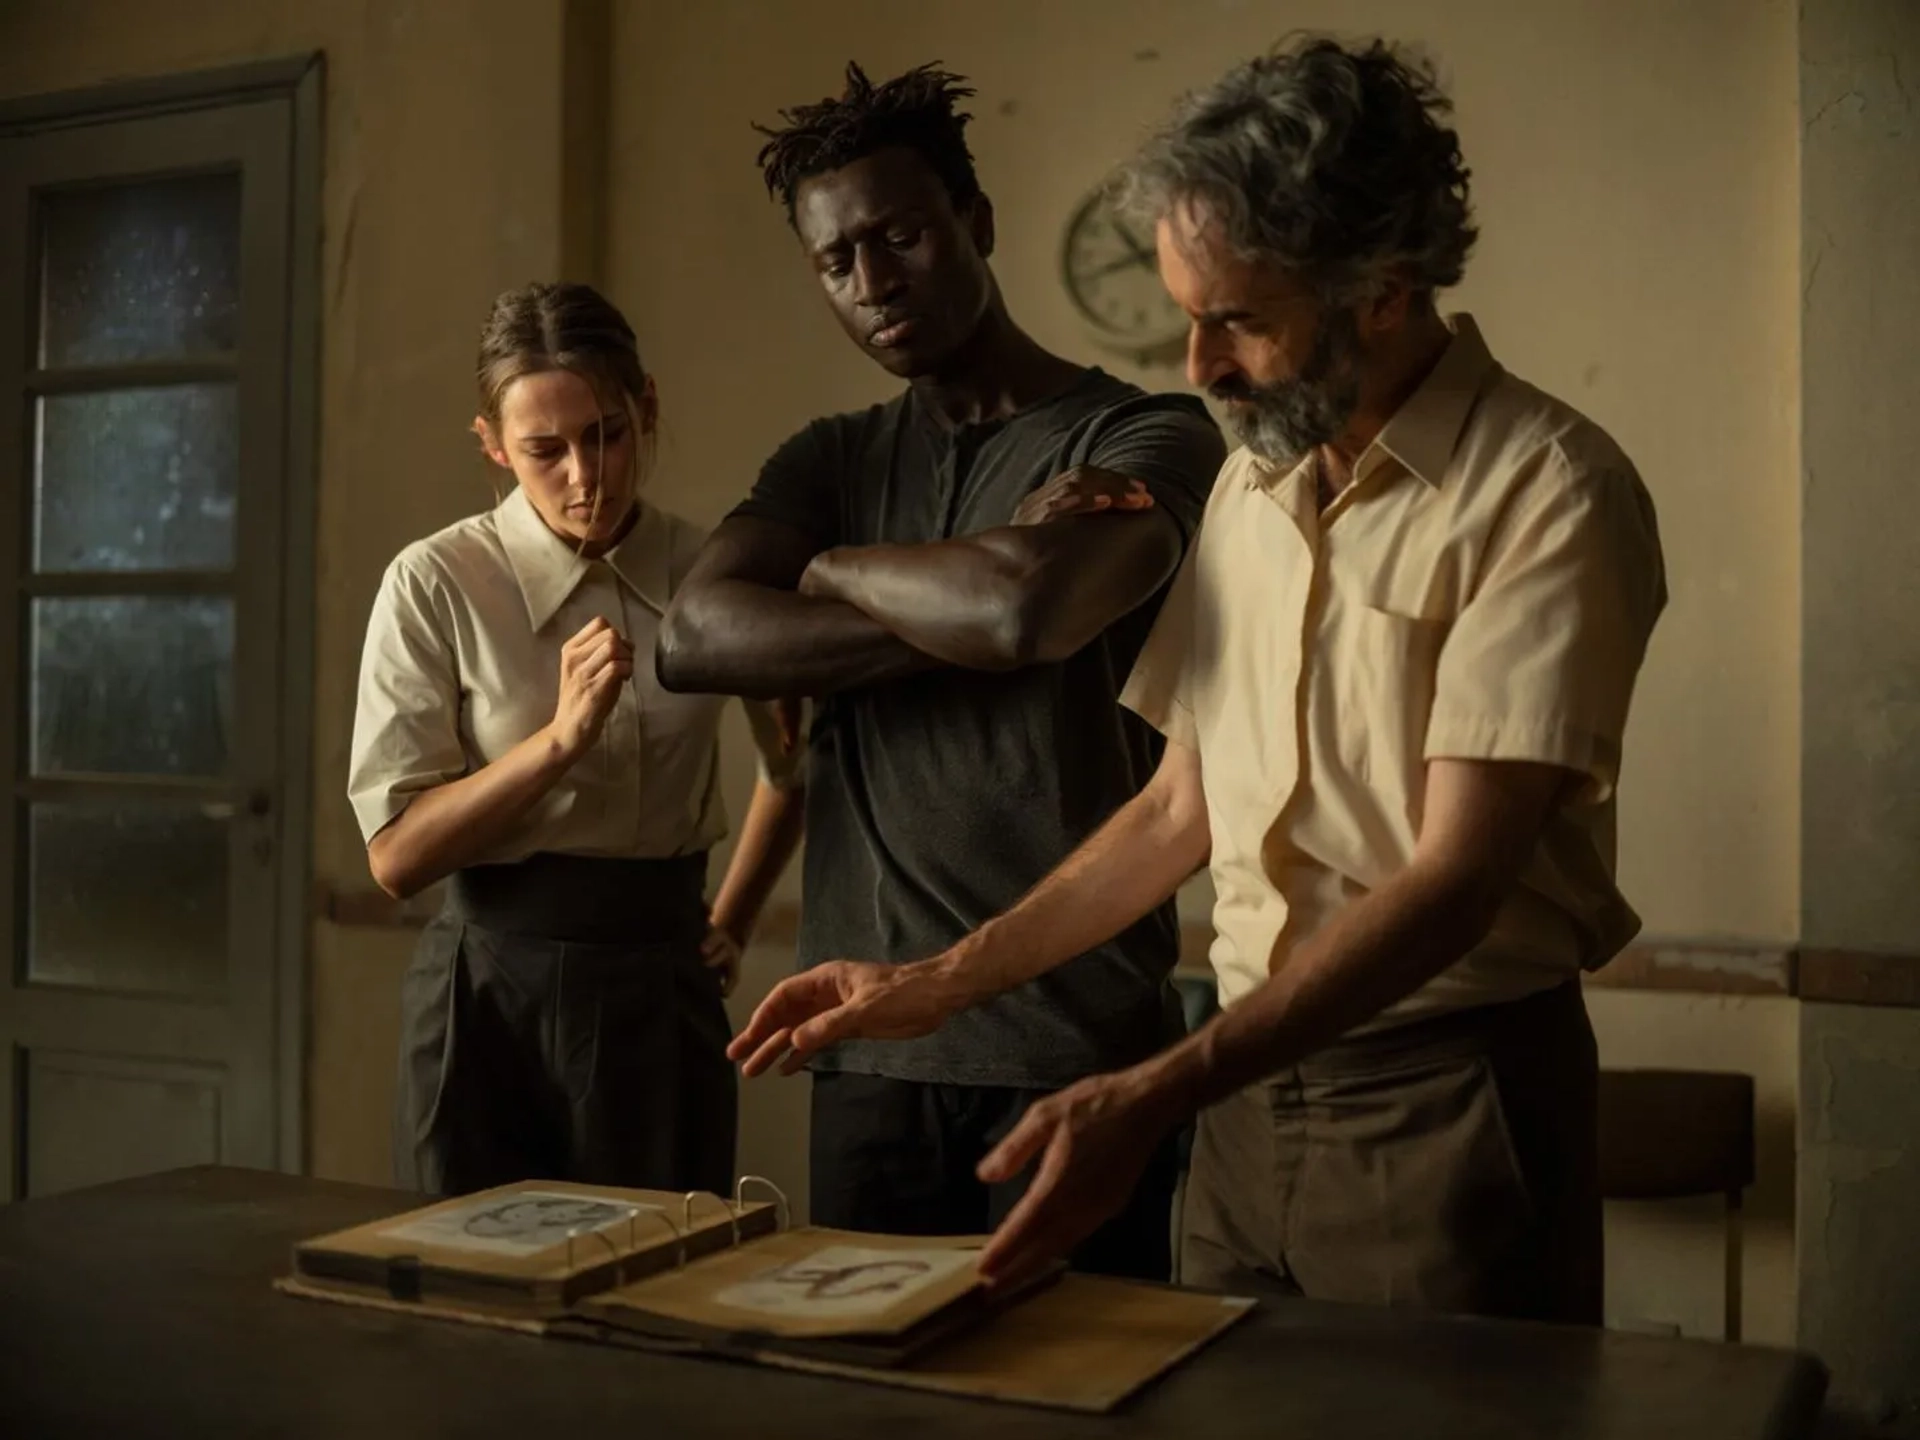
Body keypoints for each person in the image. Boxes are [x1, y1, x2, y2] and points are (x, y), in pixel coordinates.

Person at [729, 36, 1668, 1324]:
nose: (1197, 367)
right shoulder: (1252, 481)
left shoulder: (1548, 489)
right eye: (1186, 314)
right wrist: (929, 984)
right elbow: (1182, 809)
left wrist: (1159, 1087)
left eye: (1238, 320)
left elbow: (1455, 884)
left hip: (1440, 1095)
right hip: (1236, 1103)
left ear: (1382, 287)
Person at [655, 63, 1226, 1280]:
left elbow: (1026, 610)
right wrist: (942, 591)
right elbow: (695, 638)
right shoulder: (831, 457)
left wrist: (828, 571)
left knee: (1082, 1392)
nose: (872, 285)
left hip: (1075, 1045)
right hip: (866, 1050)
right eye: (834, 263)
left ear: (975, 223)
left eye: (900, 235)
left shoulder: (1142, 434)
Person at [349, 281, 806, 1197]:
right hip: (486, 990)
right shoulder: (435, 582)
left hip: (659, 980)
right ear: (492, 447)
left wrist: (735, 917)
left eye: (606, 434)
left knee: (660, 1284)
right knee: (469, 1290)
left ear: (647, 408)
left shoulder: (713, 568)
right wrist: (556, 745)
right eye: (543, 450)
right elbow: (396, 860)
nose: (584, 477)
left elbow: (799, 761)